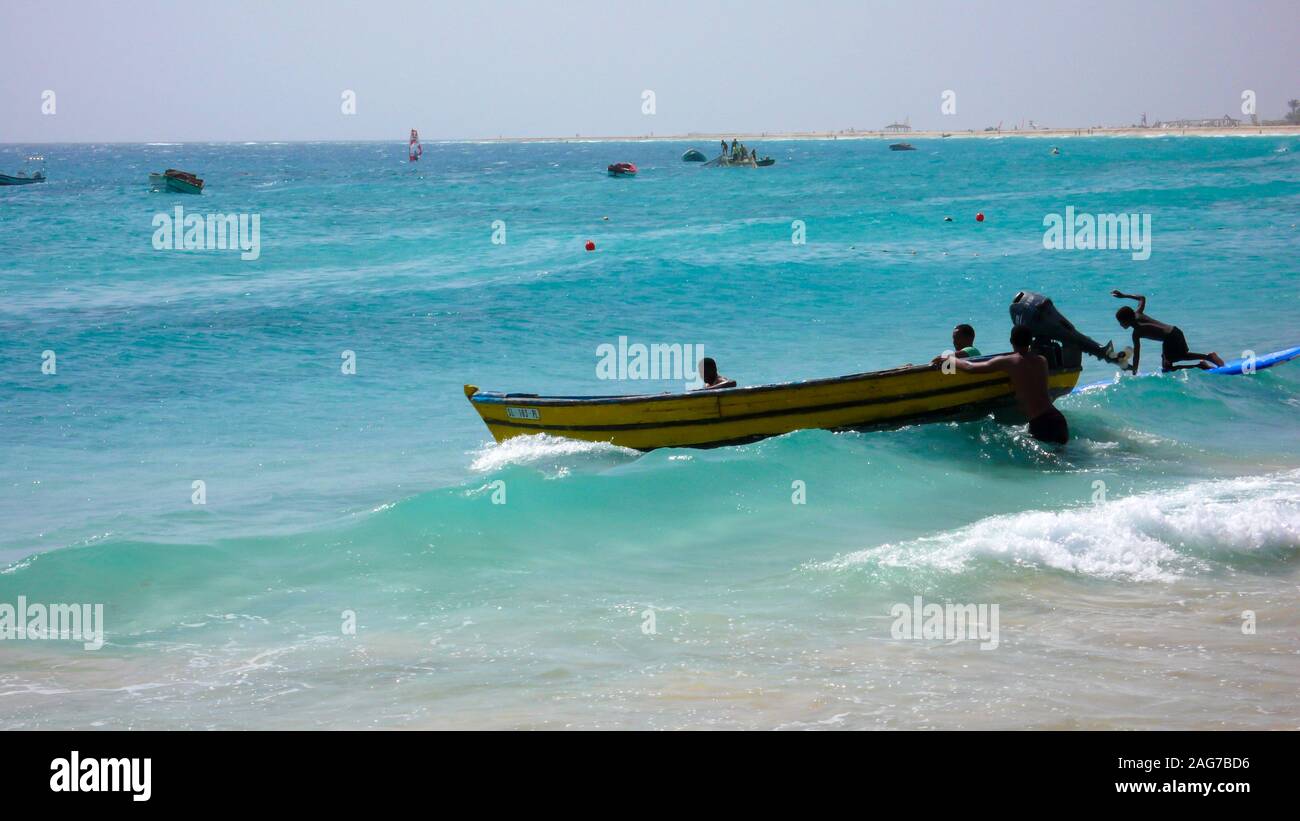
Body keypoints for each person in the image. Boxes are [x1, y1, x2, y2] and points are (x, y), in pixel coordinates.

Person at [950, 325, 1068, 445]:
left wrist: (952, 360)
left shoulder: (1008, 361)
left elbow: (970, 368)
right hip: (1057, 419)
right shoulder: (1042, 360)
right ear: (1030, 341)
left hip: (1040, 422)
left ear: (1011, 341)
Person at [1111, 290, 1224, 372]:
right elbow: (1142, 298)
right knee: (1181, 356)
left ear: (1128, 321)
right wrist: (1124, 295)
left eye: (1121, 322)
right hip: (1176, 331)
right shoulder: (1138, 314)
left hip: (1169, 339)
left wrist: (1134, 369)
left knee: (1167, 368)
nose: (1120, 325)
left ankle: (1202, 366)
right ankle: (1208, 357)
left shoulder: (1137, 333)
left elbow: (1137, 355)